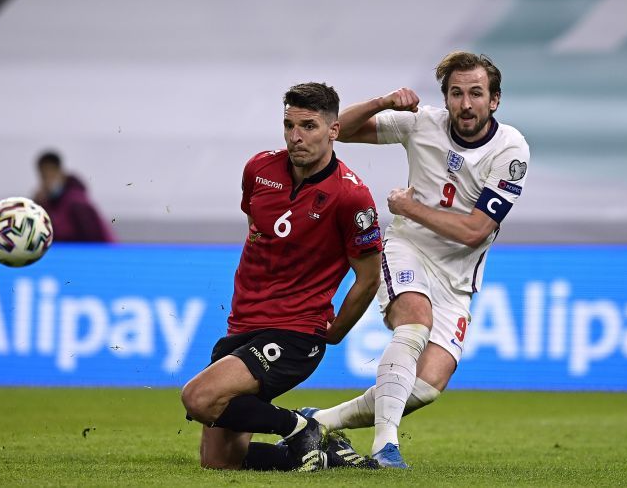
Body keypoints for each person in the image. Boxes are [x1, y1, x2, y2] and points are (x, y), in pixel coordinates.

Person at [299, 52, 531, 468]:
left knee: (427, 385)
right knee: (414, 322)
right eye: (456, 93)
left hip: (457, 277)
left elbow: (475, 230)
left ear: (494, 100)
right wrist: (383, 102)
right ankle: (385, 448)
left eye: (476, 93)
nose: (465, 103)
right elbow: (339, 131)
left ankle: (317, 421)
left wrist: (410, 207)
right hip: (409, 248)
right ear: (445, 99)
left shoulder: (510, 150)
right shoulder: (423, 123)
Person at [181, 82, 383, 472]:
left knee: (199, 398)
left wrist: (337, 330)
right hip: (243, 323)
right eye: (289, 125)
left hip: (296, 331)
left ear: (334, 130)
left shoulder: (351, 196)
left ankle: (302, 426)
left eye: (308, 126)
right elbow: (258, 230)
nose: (296, 137)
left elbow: (369, 277)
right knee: (221, 462)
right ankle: (324, 456)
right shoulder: (258, 169)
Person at [33, 151, 115, 242]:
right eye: (44, 177)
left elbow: (91, 237)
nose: (48, 181)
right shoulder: (45, 203)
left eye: (52, 175)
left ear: (61, 172)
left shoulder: (77, 202)